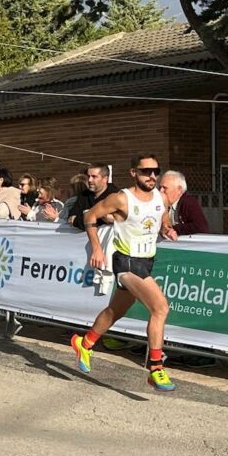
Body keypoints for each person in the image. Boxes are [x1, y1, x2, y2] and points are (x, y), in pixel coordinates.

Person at [72, 154, 176, 392]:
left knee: (115, 311)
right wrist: (97, 248)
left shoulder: (161, 197)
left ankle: (84, 343)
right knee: (160, 307)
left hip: (147, 261)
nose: (151, 176)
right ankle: (156, 367)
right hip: (126, 262)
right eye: (145, 172)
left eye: (155, 172)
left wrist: (168, 229)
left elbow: (164, 218)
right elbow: (90, 216)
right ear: (133, 173)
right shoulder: (121, 199)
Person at [68, 163, 118, 230]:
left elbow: (118, 220)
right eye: (88, 176)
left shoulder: (116, 196)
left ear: (105, 179)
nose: (89, 180)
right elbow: (72, 217)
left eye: (94, 176)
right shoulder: (84, 195)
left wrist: (82, 219)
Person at [159, 171, 210, 237]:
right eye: (160, 187)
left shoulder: (188, 202)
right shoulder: (159, 203)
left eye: (165, 188)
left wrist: (173, 229)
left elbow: (201, 227)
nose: (160, 191)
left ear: (179, 190)